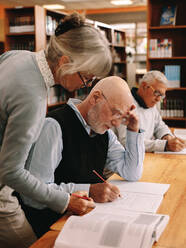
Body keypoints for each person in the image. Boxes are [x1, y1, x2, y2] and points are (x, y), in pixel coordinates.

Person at [0, 12, 112, 248]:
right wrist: (64, 201)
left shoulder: (18, 56)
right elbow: (10, 172)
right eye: (86, 77)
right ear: (64, 62)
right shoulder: (33, 97)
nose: (86, 86)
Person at [17, 76, 145, 237]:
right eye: (115, 113)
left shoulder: (104, 132)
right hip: (52, 225)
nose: (117, 123)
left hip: (85, 218)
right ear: (96, 98)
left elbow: (132, 172)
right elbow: (32, 195)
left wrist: (133, 130)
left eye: (122, 117)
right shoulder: (54, 126)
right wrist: (88, 191)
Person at [112, 70, 186, 152]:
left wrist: (166, 136)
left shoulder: (150, 102)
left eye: (162, 95)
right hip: (128, 157)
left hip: (146, 154)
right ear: (144, 86)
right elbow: (127, 142)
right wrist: (164, 145)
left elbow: (159, 125)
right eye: (157, 93)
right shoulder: (125, 104)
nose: (158, 99)